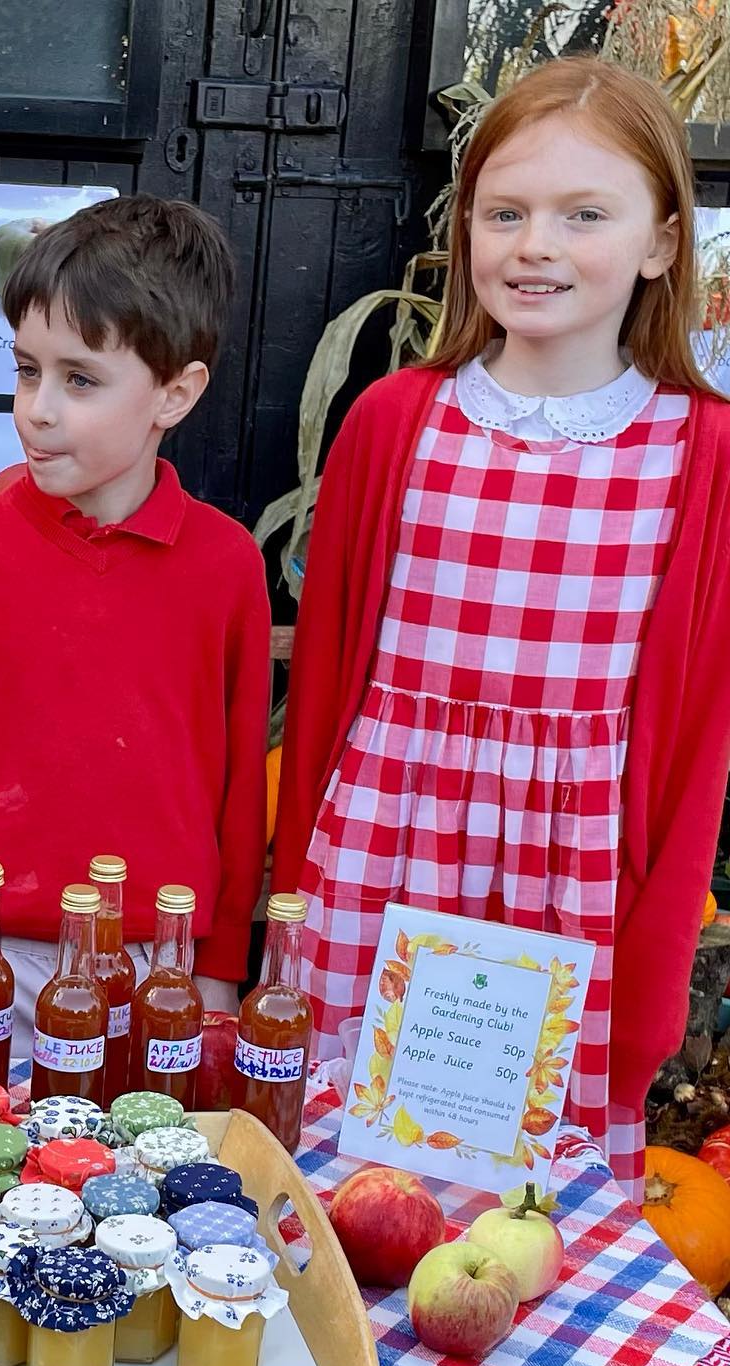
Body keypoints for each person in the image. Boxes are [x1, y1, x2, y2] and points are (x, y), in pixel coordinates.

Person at [273, 57, 730, 1197]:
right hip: (383, 850)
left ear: (663, 241)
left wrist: (655, 961)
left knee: (523, 1208)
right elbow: (325, 688)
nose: (536, 246)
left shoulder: (701, 455)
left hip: (573, 879)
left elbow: (696, 744)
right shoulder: (396, 422)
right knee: (344, 1183)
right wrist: (287, 905)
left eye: (585, 215)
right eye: (505, 212)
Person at [0, 194, 271, 1048]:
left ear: (175, 393)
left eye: (79, 379)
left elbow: (238, 794)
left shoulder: (226, 566)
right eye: (26, 370)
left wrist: (221, 969)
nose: (37, 408)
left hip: (155, 967)